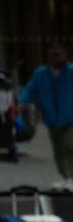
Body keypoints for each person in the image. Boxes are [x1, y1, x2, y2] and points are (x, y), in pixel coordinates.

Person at [19, 42, 73, 191]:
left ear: (65, 55)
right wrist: (22, 101)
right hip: (52, 119)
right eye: (52, 55)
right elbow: (30, 89)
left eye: (58, 55)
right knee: (58, 150)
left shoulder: (71, 72)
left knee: (69, 146)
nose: (55, 58)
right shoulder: (41, 73)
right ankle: (66, 177)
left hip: (70, 118)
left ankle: (72, 177)